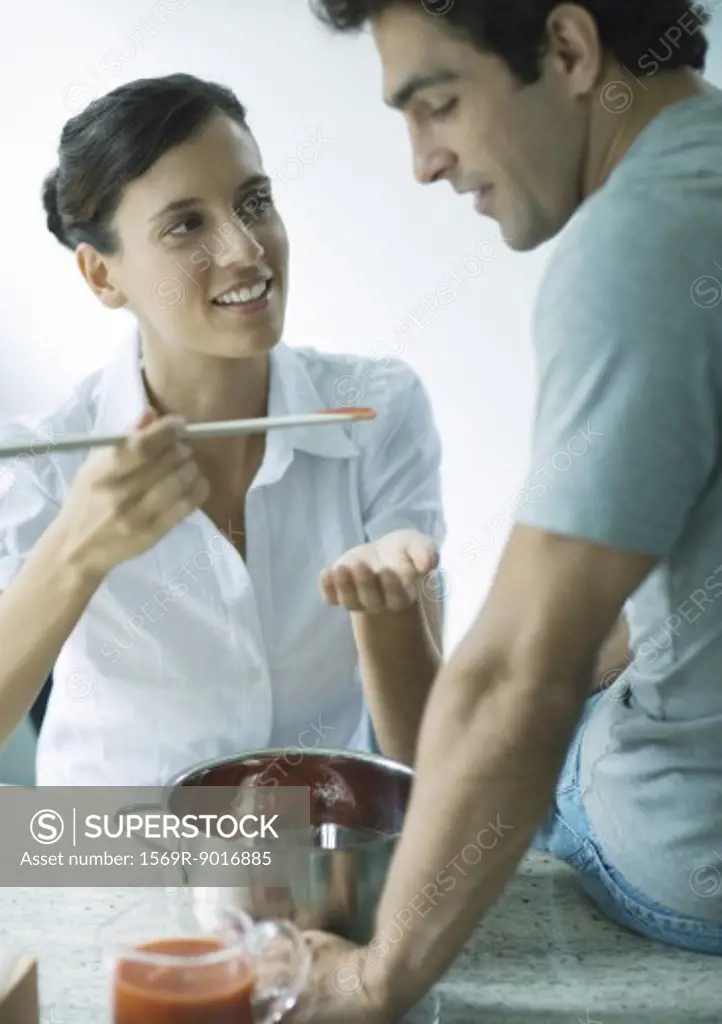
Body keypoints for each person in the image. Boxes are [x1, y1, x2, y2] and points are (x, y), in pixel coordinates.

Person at [292, 1, 722, 1020]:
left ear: (569, 50)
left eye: (436, 104)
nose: (422, 163)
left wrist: (370, 978)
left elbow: (527, 672)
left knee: (502, 700)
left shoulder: (642, 240)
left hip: (678, 858)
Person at [0, 73, 447, 786]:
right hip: (106, 858)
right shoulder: (44, 461)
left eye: (255, 203)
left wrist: (388, 610)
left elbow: (426, 761)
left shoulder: (377, 410)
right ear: (101, 276)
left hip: (315, 857)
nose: (245, 249)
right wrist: (78, 549)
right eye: (186, 224)